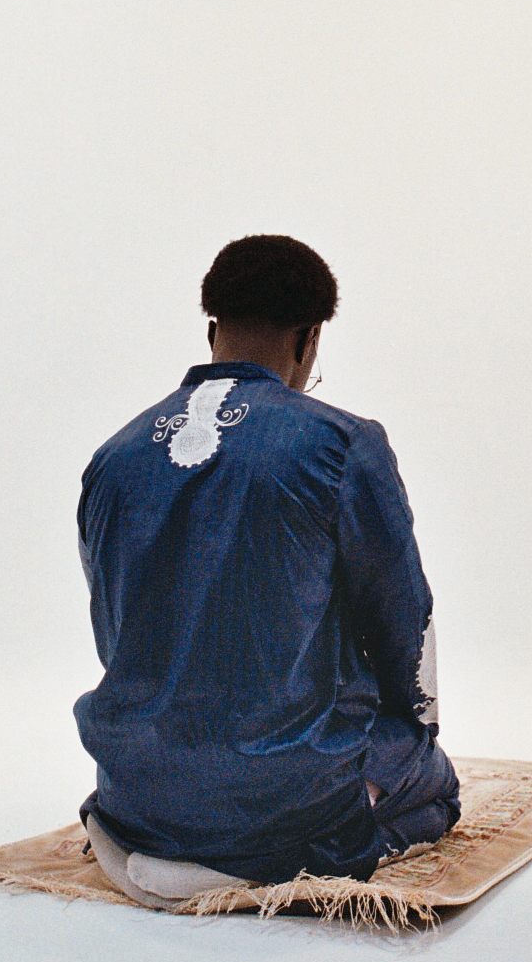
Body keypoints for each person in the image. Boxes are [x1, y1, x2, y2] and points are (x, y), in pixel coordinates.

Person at [73, 234, 460, 906]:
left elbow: (117, 632)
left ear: (212, 331)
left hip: (136, 792)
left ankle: (148, 843)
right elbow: (402, 619)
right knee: (436, 786)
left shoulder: (112, 458)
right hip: (283, 796)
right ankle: (270, 855)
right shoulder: (343, 444)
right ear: (309, 340)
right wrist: (407, 734)